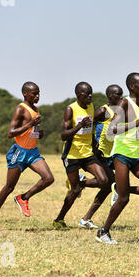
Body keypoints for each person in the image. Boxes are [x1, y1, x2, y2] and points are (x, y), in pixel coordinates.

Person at [96, 72, 139, 244]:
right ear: (132, 86)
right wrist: (135, 124)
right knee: (124, 200)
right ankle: (103, 232)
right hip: (122, 154)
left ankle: (121, 188)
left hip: (137, 154)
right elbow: (111, 129)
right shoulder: (125, 103)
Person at [0, 82, 54, 230]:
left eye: (38, 93)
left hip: (33, 152)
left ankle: (23, 198)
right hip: (19, 152)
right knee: (9, 186)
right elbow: (10, 133)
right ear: (25, 93)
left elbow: (33, 131)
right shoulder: (20, 109)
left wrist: (39, 133)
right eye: (34, 93)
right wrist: (30, 124)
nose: (37, 96)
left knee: (49, 178)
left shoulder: (36, 109)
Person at [52, 82, 111, 230]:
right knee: (74, 191)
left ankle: (81, 182)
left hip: (87, 152)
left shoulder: (91, 107)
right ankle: (59, 220)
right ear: (79, 95)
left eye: (91, 93)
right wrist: (79, 125)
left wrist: (94, 141)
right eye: (87, 94)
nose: (90, 96)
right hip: (72, 154)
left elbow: (90, 128)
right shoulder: (70, 110)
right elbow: (63, 136)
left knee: (104, 181)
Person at [92, 84, 123, 206]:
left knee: (108, 184)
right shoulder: (103, 111)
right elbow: (88, 126)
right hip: (100, 151)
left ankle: (86, 218)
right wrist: (92, 141)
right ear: (110, 96)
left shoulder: (120, 112)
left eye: (122, 94)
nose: (121, 97)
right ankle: (79, 181)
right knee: (110, 181)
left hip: (112, 152)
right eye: (118, 95)